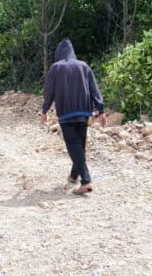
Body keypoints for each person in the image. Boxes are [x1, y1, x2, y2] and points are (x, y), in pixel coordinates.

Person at [40, 39, 106, 195]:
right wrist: (101, 110)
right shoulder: (84, 66)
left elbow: (49, 92)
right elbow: (94, 89)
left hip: (66, 113)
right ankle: (73, 176)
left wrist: (44, 111)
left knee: (73, 146)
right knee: (79, 146)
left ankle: (86, 181)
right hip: (84, 112)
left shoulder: (56, 68)